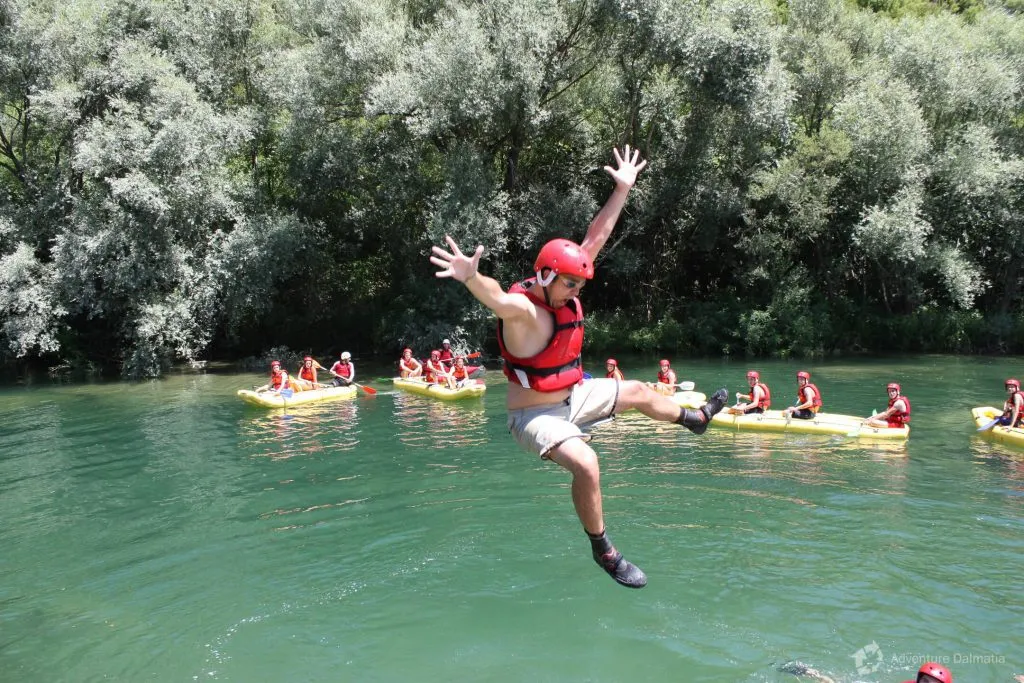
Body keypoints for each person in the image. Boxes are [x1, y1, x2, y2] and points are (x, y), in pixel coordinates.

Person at [429, 144, 728, 589]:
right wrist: (471, 276)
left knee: (643, 392)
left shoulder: (562, 283)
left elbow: (595, 238)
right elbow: (497, 296)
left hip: (572, 396)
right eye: (570, 282)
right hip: (534, 417)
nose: (575, 290)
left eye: (579, 283)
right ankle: (603, 549)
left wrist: (622, 189)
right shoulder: (524, 313)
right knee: (587, 464)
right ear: (546, 276)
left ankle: (695, 419)